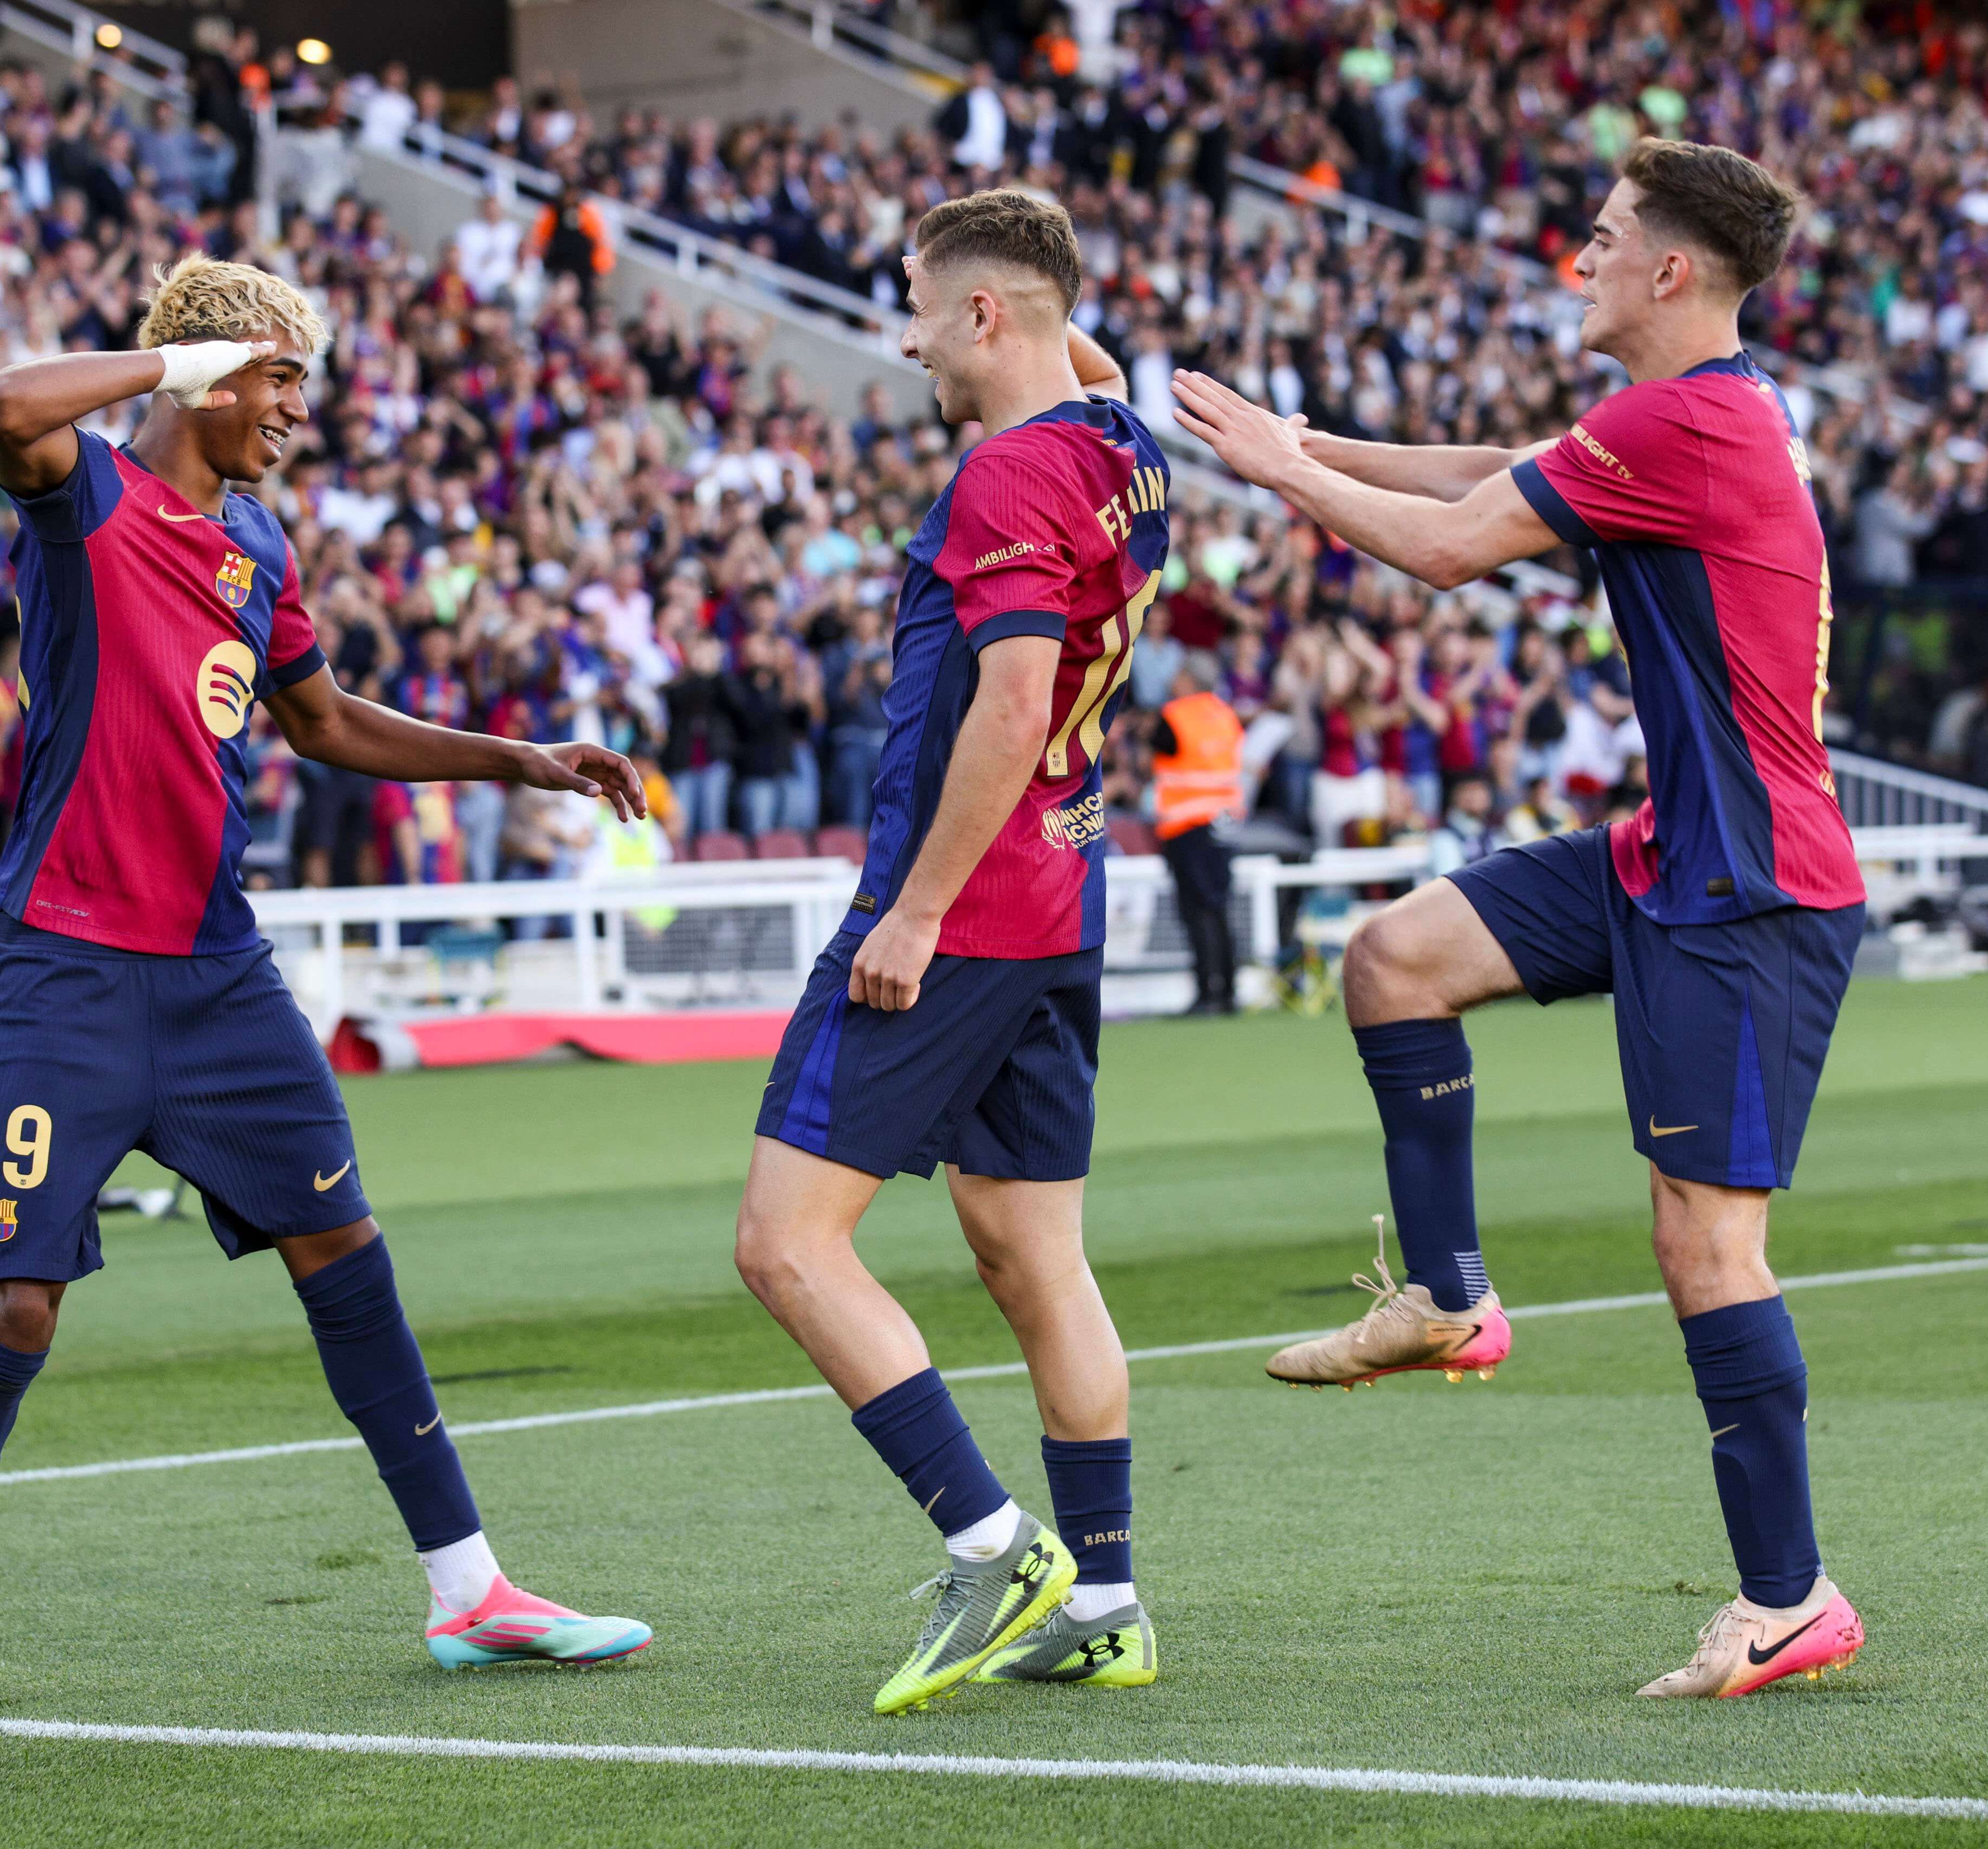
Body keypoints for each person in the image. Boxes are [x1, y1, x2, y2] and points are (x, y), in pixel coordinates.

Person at [0, 256, 655, 1720]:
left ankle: (469, 1589)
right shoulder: (88, 494)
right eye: (278, 377)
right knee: (18, 1303)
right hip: (67, 967)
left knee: (343, 1247)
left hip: (219, 974)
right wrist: (180, 361)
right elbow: (4, 404)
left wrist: (520, 759)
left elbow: (322, 719)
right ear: (205, 371)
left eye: (301, 381)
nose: (296, 407)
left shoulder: (258, 541)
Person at [1172, 137, 1871, 1701]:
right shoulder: (1701, 409)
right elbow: (1494, 471)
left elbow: (1446, 547)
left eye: (1605, 237)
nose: (1581, 258)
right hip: (1672, 852)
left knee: (1706, 1243)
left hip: (1751, 888)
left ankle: (1791, 1596)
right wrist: (1309, 438)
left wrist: (1281, 470)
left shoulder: (1684, 420)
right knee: (1393, 958)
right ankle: (1449, 1296)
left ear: (1671, 271)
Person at [732, 189, 1167, 1714]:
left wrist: (912, 912)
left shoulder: (1009, 472)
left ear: (984, 312)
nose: (906, 337)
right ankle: (1104, 1599)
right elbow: (1084, 354)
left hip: (962, 910)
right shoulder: (1117, 437)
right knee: (1032, 1253)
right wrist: (1037, 304)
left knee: (786, 1242)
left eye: (920, 302)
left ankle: (993, 1545)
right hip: (1061, 894)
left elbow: (1013, 698)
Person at [1147, 681, 1243, 1015]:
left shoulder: (1176, 715)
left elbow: (1156, 746)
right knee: (1219, 907)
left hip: (1186, 827)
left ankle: (1207, 992)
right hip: (1222, 823)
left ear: (1188, 680)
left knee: (1196, 911)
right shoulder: (1225, 714)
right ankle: (1228, 991)